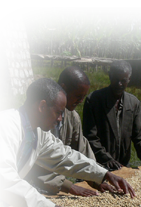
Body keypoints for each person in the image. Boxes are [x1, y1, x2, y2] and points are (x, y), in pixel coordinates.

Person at [0, 78, 136, 207]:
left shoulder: (37, 133)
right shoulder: (3, 126)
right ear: (42, 106)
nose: (60, 118)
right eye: (57, 112)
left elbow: (66, 157)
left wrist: (104, 174)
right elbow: (5, 179)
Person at [25, 66, 115, 196]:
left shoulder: (73, 117)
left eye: (83, 97)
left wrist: (98, 178)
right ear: (64, 88)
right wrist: (69, 186)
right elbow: (37, 162)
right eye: (78, 96)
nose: (81, 101)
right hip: (31, 185)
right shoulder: (39, 116)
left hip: (55, 185)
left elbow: (80, 148)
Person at [82, 60, 141, 171]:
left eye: (123, 81)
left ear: (129, 80)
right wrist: (107, 159)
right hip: (99, 166)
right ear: (110, 76)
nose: (119, 84)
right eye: (116, 79)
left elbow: (140, 138)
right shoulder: (94, 100)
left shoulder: (133, 103)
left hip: (123, 165)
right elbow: (90, 138)